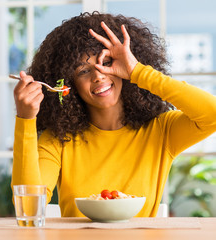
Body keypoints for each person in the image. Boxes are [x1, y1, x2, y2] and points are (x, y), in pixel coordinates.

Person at [11, 11, 216, 217]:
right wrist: (25, 119)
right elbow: (28, 208)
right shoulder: (58, 139)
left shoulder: (161, 130)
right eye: (83, 71)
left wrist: (138, 72)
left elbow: (212, 114)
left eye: (106, 62)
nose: (98, 76)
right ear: (69, 85)